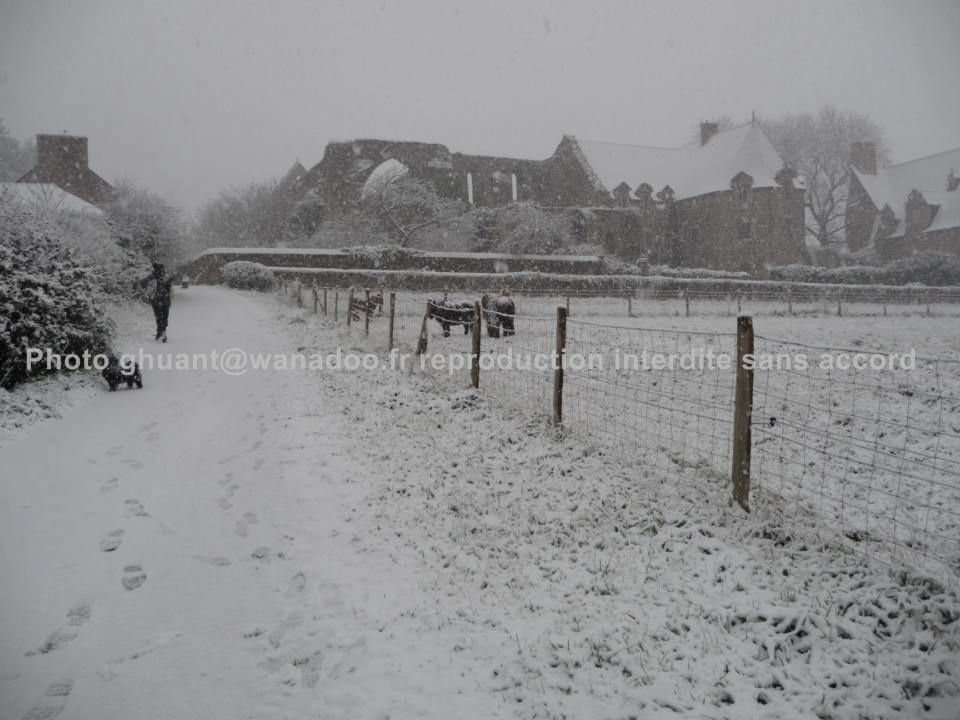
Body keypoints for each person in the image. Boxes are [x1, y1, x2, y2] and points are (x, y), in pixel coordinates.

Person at [140, 263, 175, 342]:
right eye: (162, 269)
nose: (163, 270)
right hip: (157, 301)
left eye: (164, 269)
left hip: (165, 301)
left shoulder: (166, 278)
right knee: (159, 318)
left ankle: (162, 332)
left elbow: (170, 291)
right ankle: (161, 332)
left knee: (164, 318)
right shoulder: (153, 277)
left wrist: (169, 284)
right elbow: (142, 283)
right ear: (158, 269)